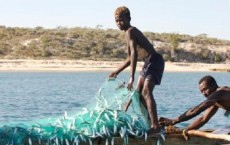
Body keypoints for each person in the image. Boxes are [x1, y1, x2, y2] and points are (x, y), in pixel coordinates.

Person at [109, 6, 165, 135]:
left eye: (121, 20)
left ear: (128, 18)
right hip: (147, 63)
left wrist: (131, 77)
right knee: (138, 94)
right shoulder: (127, 35)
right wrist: (117, 72)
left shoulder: (131, 31)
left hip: (154, 60)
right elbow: (130, 58)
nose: (118, 23)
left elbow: (134, 54)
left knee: (146, 91)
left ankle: (155, 126)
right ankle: (150, 122)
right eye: (116, 21)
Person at [159, 75, 230, 131]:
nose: (204, 93)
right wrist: (186, 129)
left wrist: (175, 120)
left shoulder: (220, 93)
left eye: (205, 89)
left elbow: (198, 109)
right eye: (201, 91)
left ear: (213, 85)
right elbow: (203, 119)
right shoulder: (214, 100)